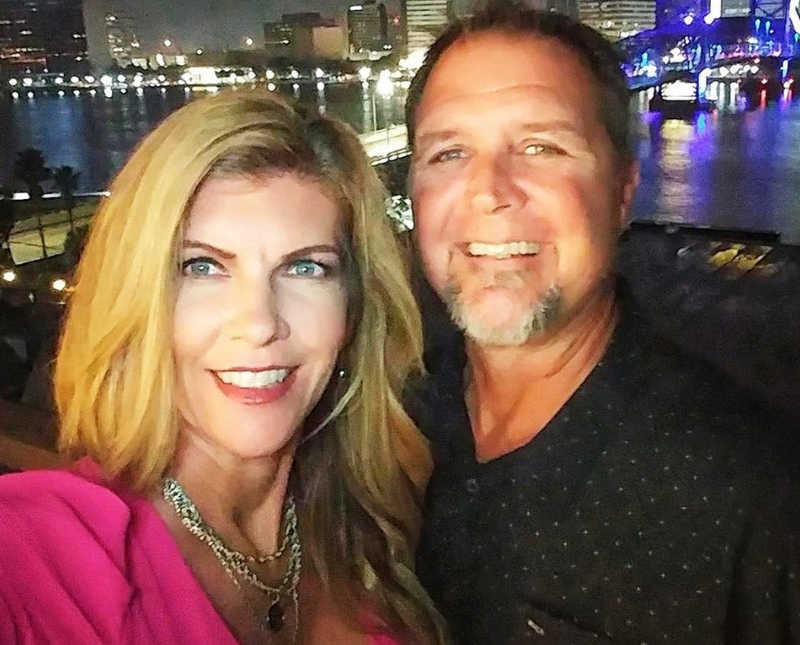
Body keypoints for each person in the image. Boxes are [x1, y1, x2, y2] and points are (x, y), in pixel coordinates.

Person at [405, 5, 799, 644]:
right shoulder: (386, 425)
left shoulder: (751, 496)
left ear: (622, 193)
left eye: (541, 147)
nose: (488, 191)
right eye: (449, 152)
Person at [0, 90, 447, 645]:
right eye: (203, 266)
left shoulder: (381, 534)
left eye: (305, 267)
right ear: (137, 300)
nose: (259, 324)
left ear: (353, 312)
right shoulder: (33, 554)